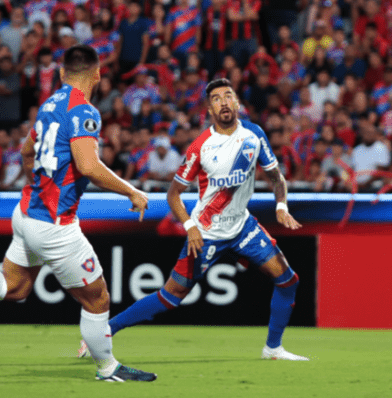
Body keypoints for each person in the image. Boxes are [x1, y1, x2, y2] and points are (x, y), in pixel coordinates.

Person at [0, 45, 156, 383]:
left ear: (61, 74)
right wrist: (132, 191)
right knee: (97, 299)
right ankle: (107, 368)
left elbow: (26, 151)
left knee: (14, 287)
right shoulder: (84, 111)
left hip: (26, 213)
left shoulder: (48, 106)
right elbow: (89, 166)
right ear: (97, 74)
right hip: (55, 224)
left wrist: (41, 183)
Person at [82, 78, 309, 361]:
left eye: (228, 96)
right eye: (216, 99)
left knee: (288, 280)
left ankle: (273, 349)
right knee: (171, 296)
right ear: (210, 110)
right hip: (207, 233)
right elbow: (173, 195)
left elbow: (276, 177)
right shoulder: (201, 147)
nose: (224, 102)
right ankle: (105, 331)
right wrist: (190, 227)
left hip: (242, 228)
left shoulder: (254, 134)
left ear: (237, 103)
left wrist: (281, 206)